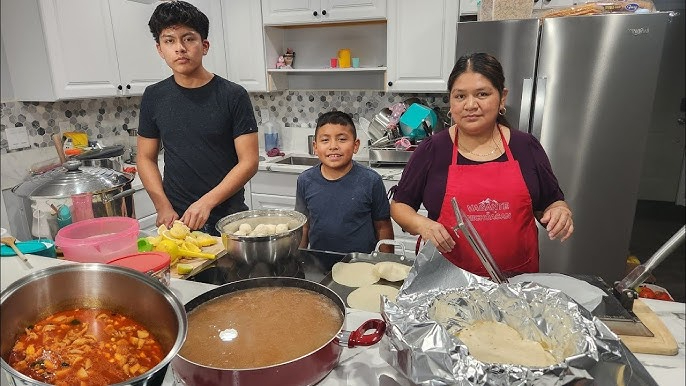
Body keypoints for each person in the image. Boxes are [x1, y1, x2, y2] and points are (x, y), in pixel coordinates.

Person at [390, 53, 573, 276]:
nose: (470, 105)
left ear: (502, 97)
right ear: (451, 100)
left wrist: (559, 212)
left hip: (516, 283)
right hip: (448, 281)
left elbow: (551, 201)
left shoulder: (526, 147)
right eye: (460, 96)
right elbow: (400, 206)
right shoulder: (432, 150)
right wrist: (423, 225)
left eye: (482, 94)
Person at [137, 1, 259, 236]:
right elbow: (145, 157)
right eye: (169, 40)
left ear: (204, 46)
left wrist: (207, 202)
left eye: (188, 38)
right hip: (177, 219)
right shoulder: (154, 96)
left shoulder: (233, 95)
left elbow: (249, 161)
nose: (179, 48)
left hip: (228, 217)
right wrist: (161, 205)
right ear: (160, 49)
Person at [295, 111, 394, 253]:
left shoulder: (371, 181)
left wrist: (387, 263)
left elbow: (383, 226)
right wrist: (299, 260)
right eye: (325, 140)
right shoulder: (305, 180)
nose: (333, 146)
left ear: (356, 145)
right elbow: (304, 226)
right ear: (315, 147)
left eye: (342, 139)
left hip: (360, 265)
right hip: (319, 264)